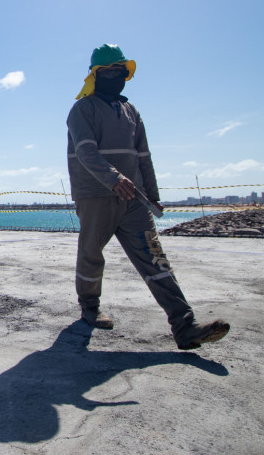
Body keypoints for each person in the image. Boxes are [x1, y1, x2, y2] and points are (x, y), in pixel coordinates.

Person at [66, 44, 229, 350]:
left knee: (155, 258)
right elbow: (85, 151)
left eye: (122, 72)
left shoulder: (131, 111)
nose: (118, 77)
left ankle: (185, 325)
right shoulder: (82, 110)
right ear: (96, 76)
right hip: (96, 196)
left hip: (133, 200)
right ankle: (90, 307)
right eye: (112, 72)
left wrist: (151, 194)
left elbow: (143, 156)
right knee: (91, 254)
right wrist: (114, 179)